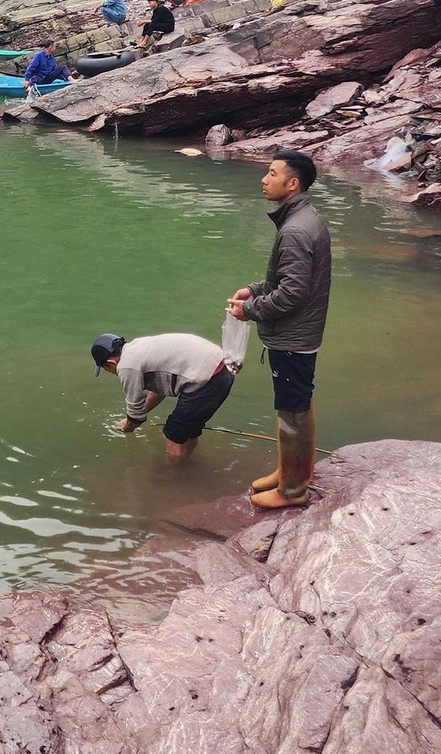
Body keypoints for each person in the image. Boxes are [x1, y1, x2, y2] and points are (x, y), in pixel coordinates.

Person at [227, 149, 332, 511]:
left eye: (272, 173)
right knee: (296, 407)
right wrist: (256, 290)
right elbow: (287, 278)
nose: (264, 179)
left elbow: (293, 292)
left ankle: (293, 490)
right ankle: (291, 471)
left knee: (292, 411)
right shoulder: (304, 218)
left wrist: (250, 309)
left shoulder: (296, 230)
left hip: (293, 337)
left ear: (293, 183)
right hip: (300, 333)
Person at [91, 332, 236, 464]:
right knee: (188, 430)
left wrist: (126, 427)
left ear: (111, 363)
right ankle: (189, 464)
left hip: (207, 379)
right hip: (222, 369)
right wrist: (141, 412)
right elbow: (160, 390)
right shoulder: (138, 347)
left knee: (173, 433)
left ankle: (175, 477)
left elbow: (136, 417)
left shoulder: (126, 367)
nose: (111, 373)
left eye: (106, 370)